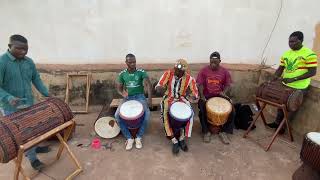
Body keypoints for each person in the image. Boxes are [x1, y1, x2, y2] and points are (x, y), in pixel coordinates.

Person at [0, 34, 51, 170]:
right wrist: (8, 98)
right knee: (21, 134)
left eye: (26, 49)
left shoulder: (29, 62)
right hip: (11, 107)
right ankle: (33, 160)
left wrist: (47, 94)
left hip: (29, 103)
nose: (23, 52)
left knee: (34, 128)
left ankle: (34, 148)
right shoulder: (2, 62)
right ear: (10, 47)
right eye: (19, 49)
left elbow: (37, 80)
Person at [267, 31, 318, 133]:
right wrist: (273, 78)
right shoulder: (287, 54)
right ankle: (277, 123)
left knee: (291, 109)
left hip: (299, 87)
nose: (290, 44)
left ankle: (283, 128)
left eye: (293, 42)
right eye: (289, 41)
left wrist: (293, 79)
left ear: (301, 40)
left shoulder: (309, 54)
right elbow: (280, 68)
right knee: (280, 105)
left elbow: (312, 72)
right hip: (285, 84)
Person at [155, 59, 199, 155]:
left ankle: (182, 138)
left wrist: (192, 95)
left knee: (190, 115)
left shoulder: (189, 78)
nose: (176, 71)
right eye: (175, 69)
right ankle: (174, 140)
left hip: (181, 98)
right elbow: (159, 85)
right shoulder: (168, 73)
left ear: (184, 71)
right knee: (165, 114)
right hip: (168, 98)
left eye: (179, 70)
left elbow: (195, 93)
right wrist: (160, 88)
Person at [114, 53, 152, 150]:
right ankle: (129, 138)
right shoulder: (122, 74)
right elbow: (118, 88)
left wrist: (149, 99)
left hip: (140, 97)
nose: (133, 64)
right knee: (117, 115)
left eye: (134, 62)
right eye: (130, 62)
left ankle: (138, 137)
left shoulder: (141, 72)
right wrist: (122, 93)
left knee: (147, 115)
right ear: (126, 62)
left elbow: (148, 84)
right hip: (128, 97)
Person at [196, 51, 235, 144]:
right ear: (209, 61)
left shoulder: (224, 71)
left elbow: (228, 84)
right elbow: (200, 84)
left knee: (232, 111)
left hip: (219, 95)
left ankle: (224, 131)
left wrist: (224, 92)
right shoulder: (204, 70)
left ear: (220, 61)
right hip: (207, 96)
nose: (213, 64)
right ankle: (206, 132)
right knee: (202, 110)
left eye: (215, 62)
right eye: (211, 62)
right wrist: (202, 96)